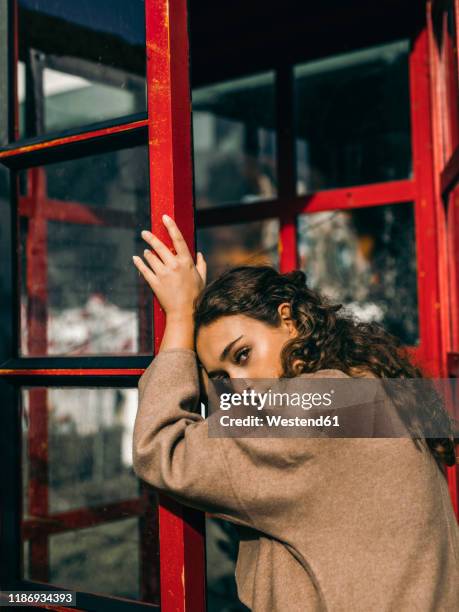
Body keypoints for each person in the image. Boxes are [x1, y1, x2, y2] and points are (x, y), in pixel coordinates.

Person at [132, 214, 459, 611]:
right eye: (221, 377)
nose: (239, 386)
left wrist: (181, 315)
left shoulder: (304, 417)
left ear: (288, 320)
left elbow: (162, 448)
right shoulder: (365, 389)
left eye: (243, 354)